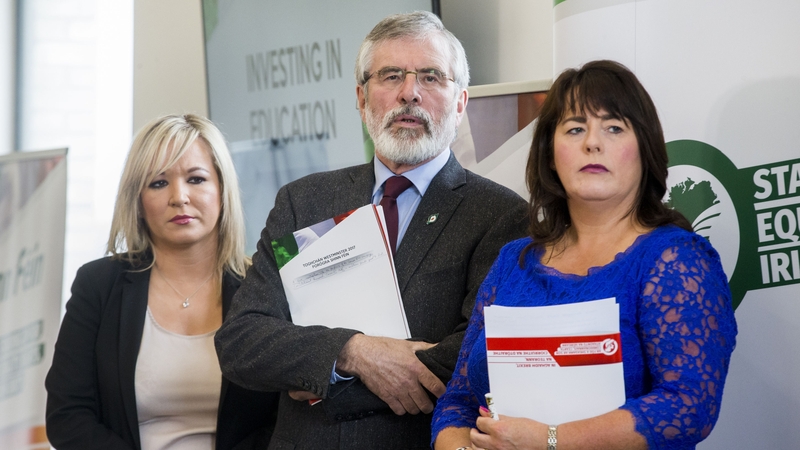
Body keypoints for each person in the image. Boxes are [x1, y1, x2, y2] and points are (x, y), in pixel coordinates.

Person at [214, 11, 528, 450]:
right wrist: (351, 353)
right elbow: (242, 340)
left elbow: (477, 354)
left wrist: (324, 379)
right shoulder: (301, 201)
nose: (409, 93)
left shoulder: (501, 214)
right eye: (391, 75)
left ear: (460, 103)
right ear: (361, 99)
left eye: (432, 77)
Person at [431, 59, 738, 450]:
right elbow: (457, 400)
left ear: (645, 150)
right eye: (575, 128)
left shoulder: (675, 259)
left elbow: (688, 407)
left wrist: (549, 441)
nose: (592, 142)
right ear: (549, 154)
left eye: (613, 127)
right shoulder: (513, 261)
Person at [45, 114, 278, 450]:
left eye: (196, 179)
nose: (179, 197)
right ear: (137, 201)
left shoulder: (264, 287)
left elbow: (286, 416)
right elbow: (68, 417)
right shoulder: (98, 285)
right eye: (158, 183)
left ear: (223, 191)